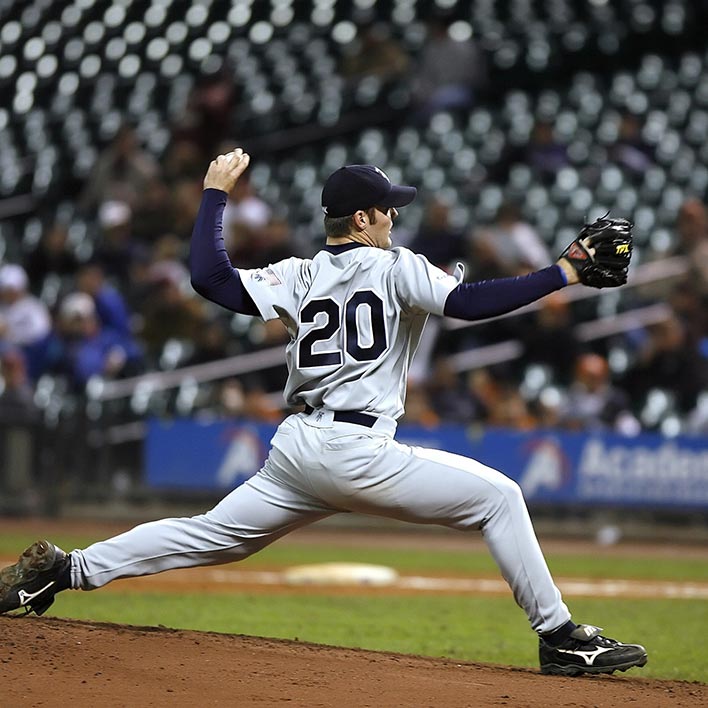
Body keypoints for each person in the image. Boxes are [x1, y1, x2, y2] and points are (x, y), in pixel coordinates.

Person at [0, 149, 647, 677]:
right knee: (501, 498)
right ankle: (560, 636)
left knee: (211, 534)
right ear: (363, 217)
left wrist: (213, 194)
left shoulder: (299, 273)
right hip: (359, 450)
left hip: (299, 449)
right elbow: (472, 304)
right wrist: (565, 270)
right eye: (388, 209)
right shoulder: (396, 267)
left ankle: (68, 568)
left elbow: (210, 278)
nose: (394, 217)